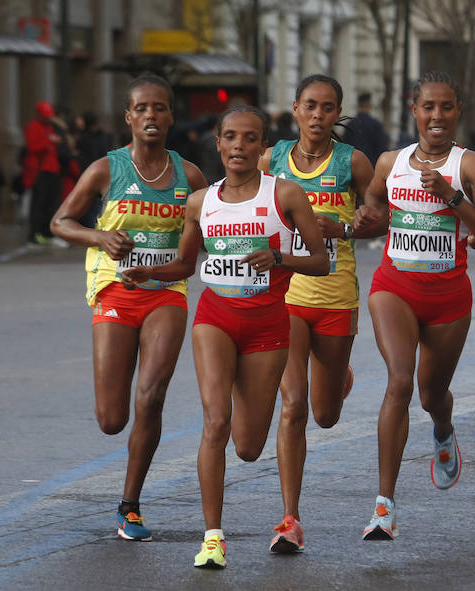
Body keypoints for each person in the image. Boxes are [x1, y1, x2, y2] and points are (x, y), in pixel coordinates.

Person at [120, 105, 329, 568]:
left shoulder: (287, 195)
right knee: (215, 421)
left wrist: (279, 259)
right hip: (215, 318)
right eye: (230, 137)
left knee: (248, 447)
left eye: (250, 138)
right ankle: (212, 537)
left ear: (261, 147)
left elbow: (321, 261)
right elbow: (184, 265)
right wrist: (146, 273)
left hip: (267, 325)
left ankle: (285, 508)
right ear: (218, 143)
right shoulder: (201, 202)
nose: (239, 146)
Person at [50, 74, 208, 542]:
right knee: (112, 418)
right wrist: (99, 235)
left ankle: (131, 505)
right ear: (129, 116)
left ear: (171, 116)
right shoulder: (106, 169)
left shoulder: (190, 176)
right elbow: (60, 221)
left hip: (166, 293)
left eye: (160, 108)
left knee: (152, 394)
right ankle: (127, 489)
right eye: (142, 108)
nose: (151, 116)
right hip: (114, 292)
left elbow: (212, 232)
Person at [360, 71, 475, 540]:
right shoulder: (390, 161)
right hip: (393, 287)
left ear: (458, 110)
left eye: (446, 107)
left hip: (447, 297)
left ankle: (443, 428)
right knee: (399, 381)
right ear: (414, 110)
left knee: (430, 395)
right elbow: (375, 201)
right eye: (428, 107)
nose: (437, 116)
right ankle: (384, 506)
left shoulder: (471, 166)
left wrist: (453, 199)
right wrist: (369, 215)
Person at [257, 74, 385, 552]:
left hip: (336, 299)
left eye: (328, 108)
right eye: (310, 105)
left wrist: (345, 229)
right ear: (295, 109)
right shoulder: (271, 160)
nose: (317, 115)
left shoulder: (353, 162)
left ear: (337, 114)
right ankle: (290, 519)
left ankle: (338, 377)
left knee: (325, 414)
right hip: (285, 297)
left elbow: (381, 220)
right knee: (292, 407)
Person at [25, 100, 63, 246]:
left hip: (52, 169)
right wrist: (49, 141)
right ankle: (35, 234)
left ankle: (48, 234)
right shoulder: (33, 127)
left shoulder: (50, 128)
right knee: (39, 204)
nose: (49, 118)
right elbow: (32, 147)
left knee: (52, 204)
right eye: (46, 115)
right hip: (40, 171)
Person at [343, 92, 390, 168]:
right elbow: (382, 148)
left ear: (358, 105)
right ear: (369, 105)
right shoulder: (375, 124)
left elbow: (344, 147)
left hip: (351, 167)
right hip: (370, 166)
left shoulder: (350, 124)